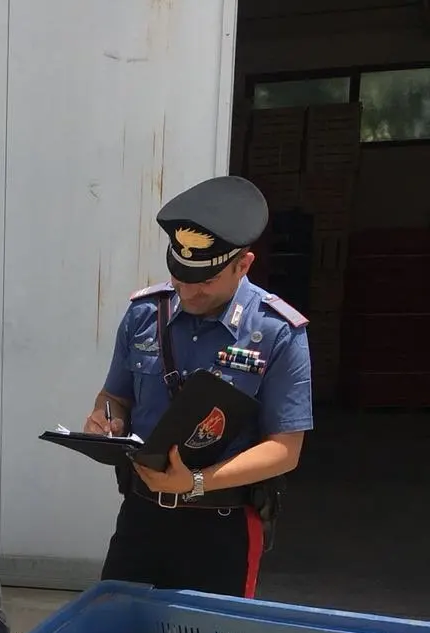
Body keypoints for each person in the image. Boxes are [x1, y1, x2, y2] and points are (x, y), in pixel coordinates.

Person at [83, 174, 313, 598]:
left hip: (221, 527)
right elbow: (115, 395)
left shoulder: (277, 332)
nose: (187, 290)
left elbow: (285, 449)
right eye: (178, 275)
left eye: (203, 280)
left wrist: (195, 482)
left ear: (243, 264)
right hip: (141, 518)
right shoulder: (143, 315)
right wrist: (107, 419)